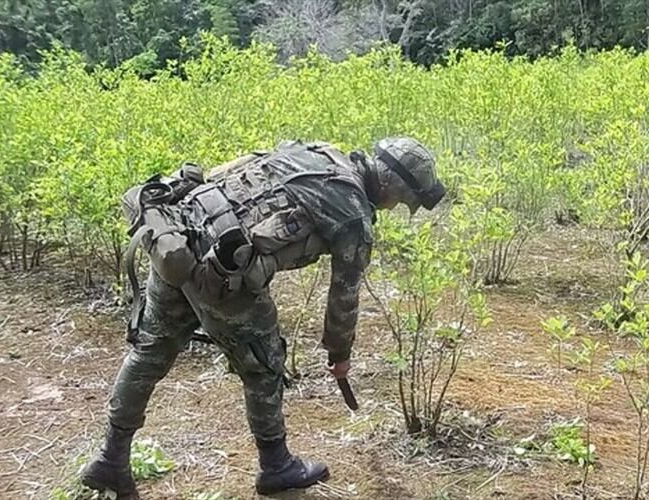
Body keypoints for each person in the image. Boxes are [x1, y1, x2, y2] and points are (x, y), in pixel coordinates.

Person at [80, 137, 445, 499]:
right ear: (389, 186)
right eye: (399, 200)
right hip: (222, 271)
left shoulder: (318, 151)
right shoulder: (352, 213)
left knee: (148, 354)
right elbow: (344, 297)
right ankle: (276, 466)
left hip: (179, 235)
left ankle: (110, 459)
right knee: (264, 367)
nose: (395, 206)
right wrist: (340, 354)